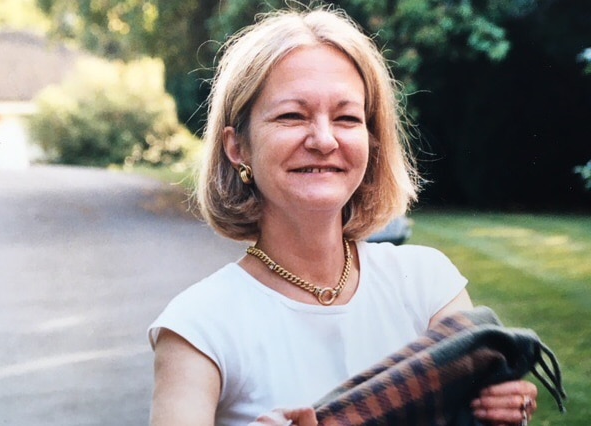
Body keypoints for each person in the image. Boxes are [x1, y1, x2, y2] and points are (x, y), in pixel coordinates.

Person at [148, 7, 538, 426]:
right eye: (292, 116)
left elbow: (476, 405)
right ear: (237, 147)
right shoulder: (198, 326)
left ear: (371, 141)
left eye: (347, 118)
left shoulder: (428, 285)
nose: (323, 139)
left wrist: (501, 408)